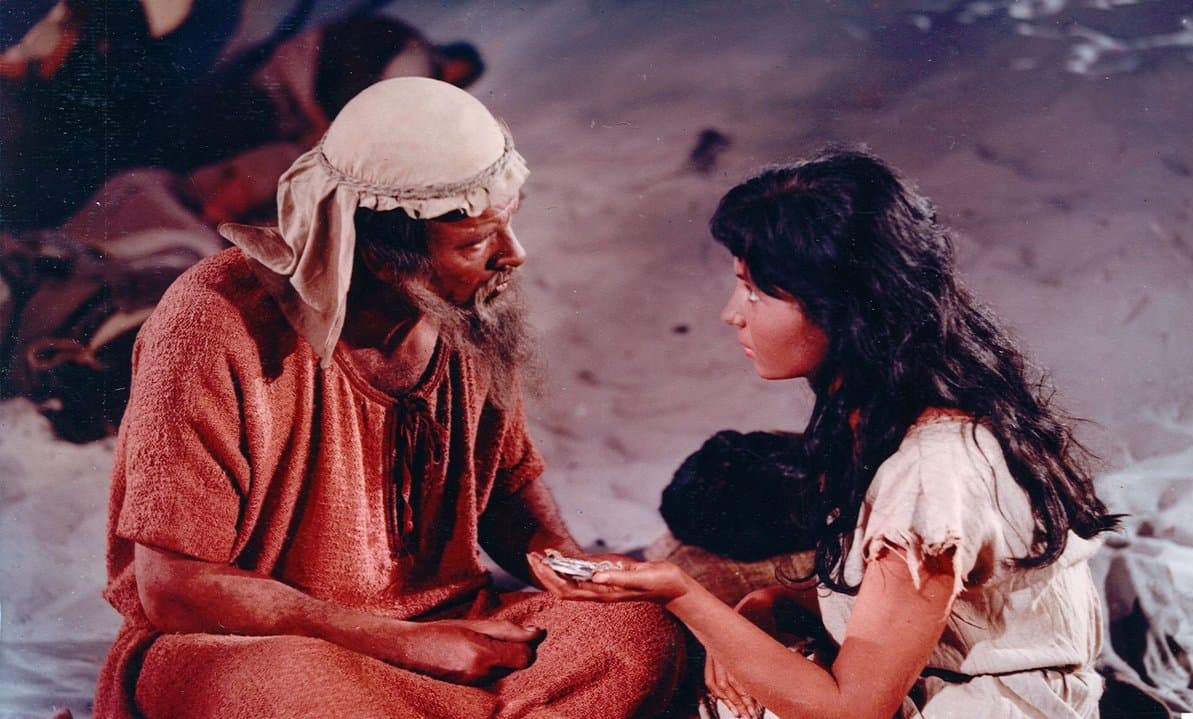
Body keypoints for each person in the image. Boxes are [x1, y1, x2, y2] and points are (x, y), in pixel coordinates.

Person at [95, 76, 683, 719]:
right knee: (283, 690)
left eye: (508, 226)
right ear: (380, 254)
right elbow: (173, 589)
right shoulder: (212, 323)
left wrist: (578, 573)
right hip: (270, 648)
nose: (513, 256)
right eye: (475, 243)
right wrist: (402, 644)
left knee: (635, 636)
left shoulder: (469, 311)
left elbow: (506, 493)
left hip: (454, 630)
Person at [541, 149, 1119, 719]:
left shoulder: (933, 469)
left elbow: (853, 712)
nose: (732, 313)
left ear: (842, 310)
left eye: (756, 291)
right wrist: (770, 602)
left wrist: (681, 593)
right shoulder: (896, 413)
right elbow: (905, 612)